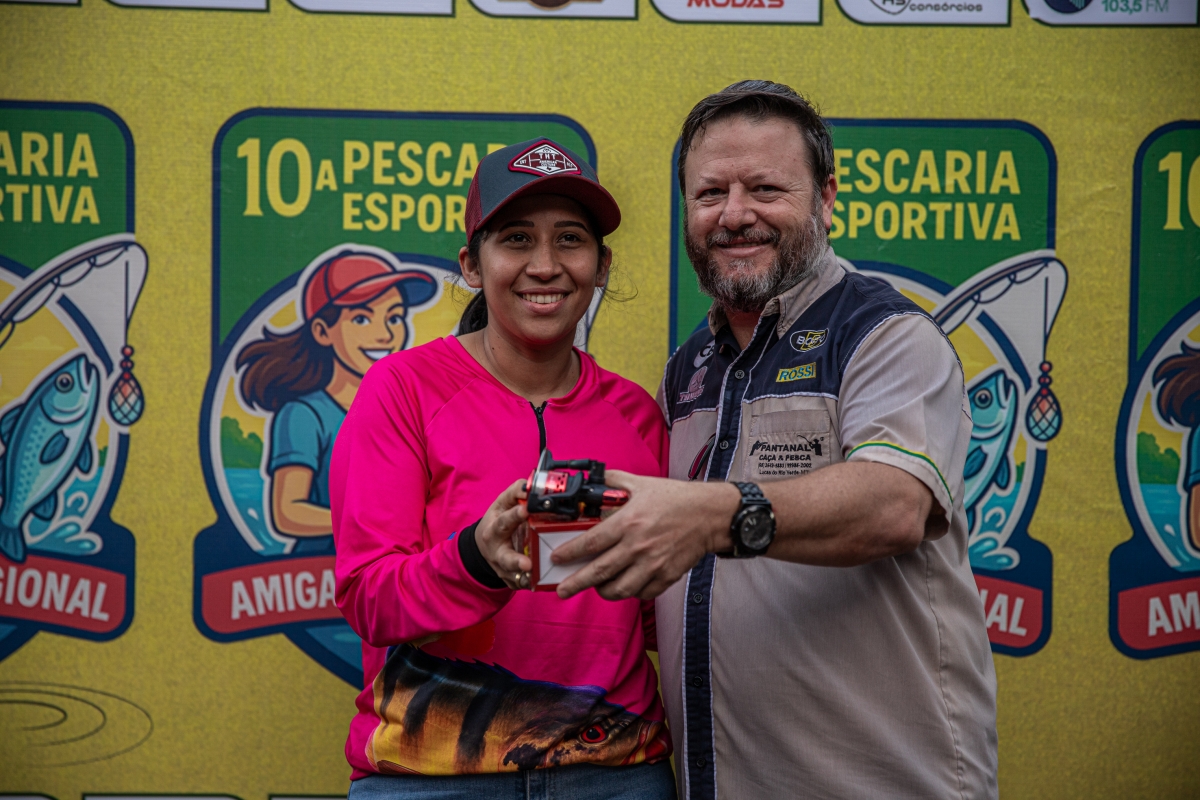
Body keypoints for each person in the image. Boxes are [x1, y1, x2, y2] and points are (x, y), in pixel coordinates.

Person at [547, 82, 999, 799]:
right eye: (710, 193)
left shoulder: (885, 334)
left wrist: (711, 516)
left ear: (825, 198)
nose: (734, 215)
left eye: (765, 188)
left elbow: (895, 506)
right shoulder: (689, 368)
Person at [330, 139, 676, 798]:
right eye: (517, 239)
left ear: (601, 266)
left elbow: (663, 615)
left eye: (570, 239)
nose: (545, 266)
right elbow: (368, 597)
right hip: (433, 778)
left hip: (617, 774)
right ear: (471, 264)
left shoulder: (636, 415)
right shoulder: (403, 390)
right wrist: (474, 560)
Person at [238, 250, 437, 552]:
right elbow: (288, 513)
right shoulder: (304, 414)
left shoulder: (408, 409)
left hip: (391, 568)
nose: (385, 334)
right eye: (361, 318)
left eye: (394, 317)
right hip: (317, 569)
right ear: (322, 331)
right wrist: (383, 523)